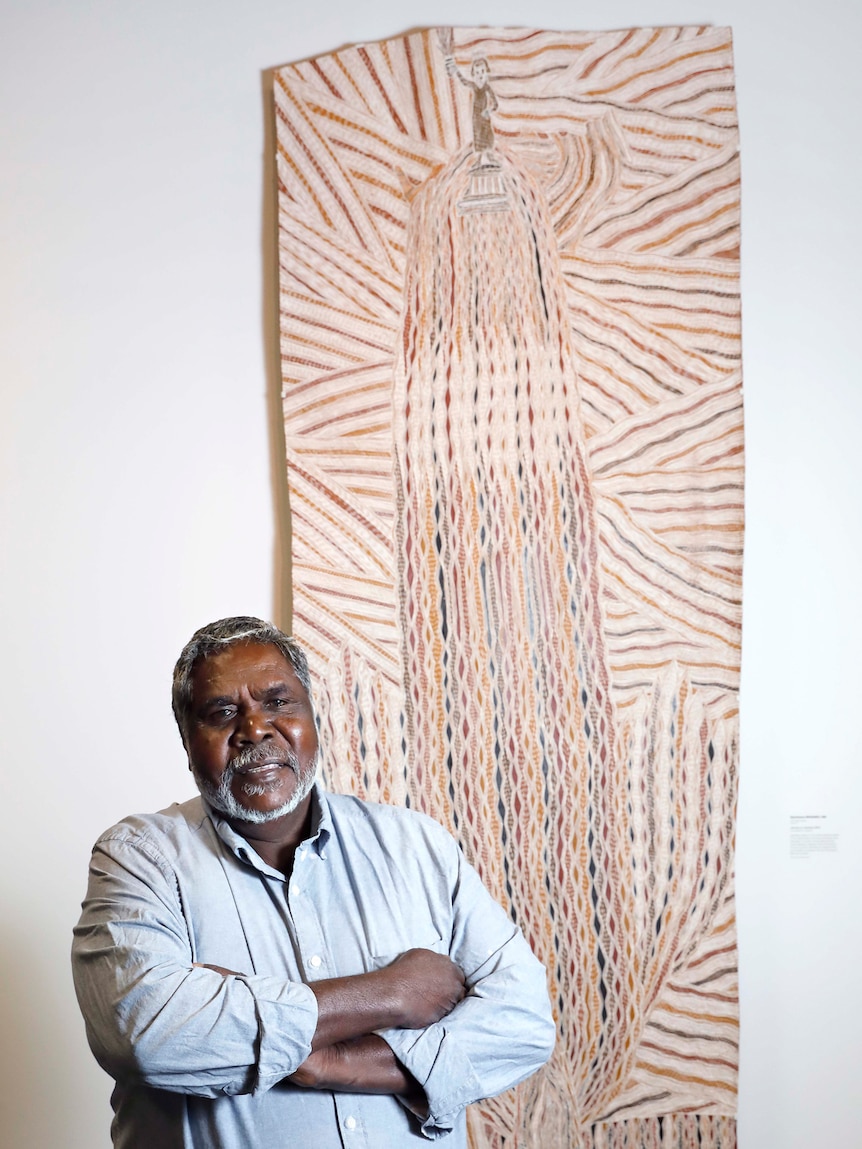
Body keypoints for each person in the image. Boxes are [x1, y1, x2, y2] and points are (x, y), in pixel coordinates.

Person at [72, 616, 555, 1148]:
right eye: (222, 712)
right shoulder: (140, 858)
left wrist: (332, 1061)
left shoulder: (415, 844)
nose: (255, 728)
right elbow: (147, 1035)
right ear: (188, 743)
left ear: (312, 719)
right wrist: (390, 994)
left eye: (278, 702)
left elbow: (523, 1022)